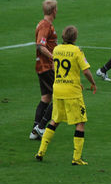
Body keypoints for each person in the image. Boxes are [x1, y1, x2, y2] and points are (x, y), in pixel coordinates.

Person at [35, 25, 97, 165]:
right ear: (75, 37)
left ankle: (41, 152)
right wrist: (92, 83)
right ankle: (76, 158)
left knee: (54, 121)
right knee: (80, 122)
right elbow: (86, 71)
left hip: (58, 89)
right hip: (72, 92)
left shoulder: (56, 49)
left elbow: (55, 67)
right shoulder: (77, 51)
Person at [29, 0, 58, 140]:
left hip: (42, 65)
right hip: (46, 67)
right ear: (54, 11)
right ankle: (40, 127)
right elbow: (40, 46)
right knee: (59, 96)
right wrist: (54, 58)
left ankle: (34, 131)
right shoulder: (46, 25)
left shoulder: (43, 24)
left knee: (46, 97)